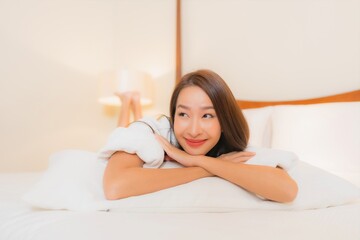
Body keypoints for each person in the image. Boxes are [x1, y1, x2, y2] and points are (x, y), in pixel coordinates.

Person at [103, 70, 298, 203]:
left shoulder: (232, 149)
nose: (193, 130)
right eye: (183, 114)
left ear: (224, 122)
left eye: (207, 115)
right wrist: (203, 167)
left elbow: (287, 191)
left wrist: (198, 160)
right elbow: (115, 186)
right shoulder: (153, 133)